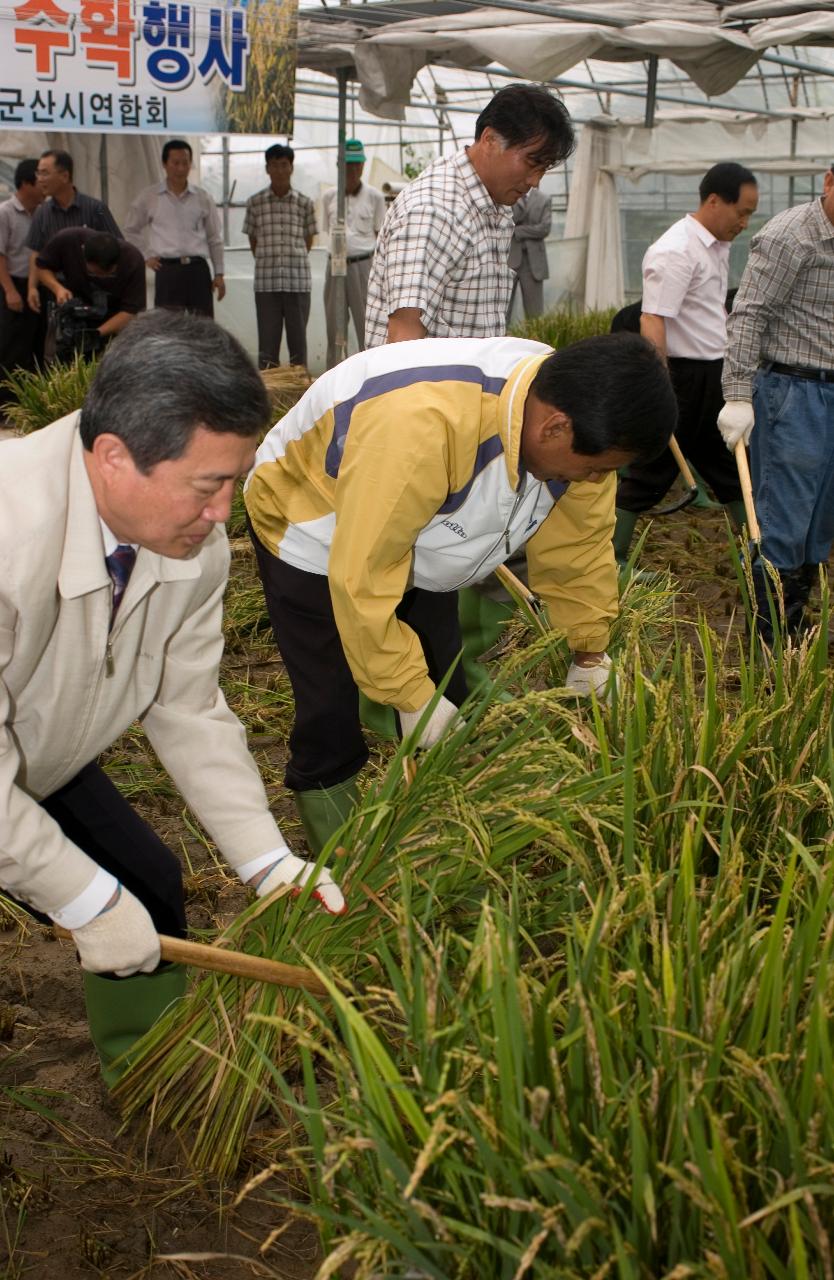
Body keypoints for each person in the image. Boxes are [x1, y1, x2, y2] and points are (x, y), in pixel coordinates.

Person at [0, 310, 344, 1089]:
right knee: (94, 891)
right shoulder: (7, 533)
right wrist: (78, 897)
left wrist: (267, 862)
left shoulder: (193, 545)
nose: (225, 512)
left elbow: (186, 705)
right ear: (114, 457)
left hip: (36, 752)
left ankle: (146, 1081)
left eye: (236, 480)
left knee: (144, 885)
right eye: (208, 485)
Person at [245, 331, 677, 852]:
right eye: (595, 467)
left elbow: (578, 548)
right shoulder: (421, 427)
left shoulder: (583, 413)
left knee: (441, 669)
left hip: (423, 530)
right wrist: (408, 693)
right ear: (555, 427)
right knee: (330, 699)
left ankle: (437, 809)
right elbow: (364, 573)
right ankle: (338, 846)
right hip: (312, 525)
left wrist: (590, 648)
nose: (594, 478)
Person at [613, 162, 759, 566]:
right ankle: (613, 561)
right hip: (682, 376)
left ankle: (760, 552)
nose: (745, 223)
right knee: (652, 468)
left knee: (727, 462)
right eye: (741, 212)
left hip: (712, 373)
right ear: (714, 201)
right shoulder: (675, 249)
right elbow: (652, 318)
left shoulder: (713, 244)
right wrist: (659, 384)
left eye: (750, 213)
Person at [718, 163, 834, 644]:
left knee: (819, 521)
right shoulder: (792, 237)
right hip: (794, 393)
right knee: (783, 520)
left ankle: (796, 622)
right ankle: (767, 643)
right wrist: (738, 394)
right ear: (829, 181)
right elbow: (749, 314)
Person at [365, 83, 575, 347]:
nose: (535, 181)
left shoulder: (491, 203)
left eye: (543, 169)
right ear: (489, 140)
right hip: (428, 387)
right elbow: (403, 339)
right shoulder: (434, 212)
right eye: (532, 163)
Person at [124, 139, 225, 318]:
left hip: (197, 269)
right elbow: (130, 229)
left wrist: (219, 273)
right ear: (165, 164)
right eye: (175, 163)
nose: (180, 168)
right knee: (167, 325)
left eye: (185, 163)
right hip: (167, 270)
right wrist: (146, 255)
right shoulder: (150, 196)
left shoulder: (202, 197)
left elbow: (214, 237)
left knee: (203, 326)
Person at [243, 143, 317, 368]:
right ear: (267, 169)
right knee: (267, 346)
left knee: (298, 345)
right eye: (274, 165)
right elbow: (253, 240)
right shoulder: (255, 203)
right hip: (267, 283)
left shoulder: (304, 203)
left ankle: (301, 397)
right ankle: (269, 397)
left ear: (291, 168)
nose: (279, 170)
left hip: (298, 282)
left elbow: (309, 240)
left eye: (284, 165)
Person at [26, 149, 121, 321]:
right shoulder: (42, 213)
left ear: (64, 176)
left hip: (94, 292)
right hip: (58, 291)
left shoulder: (96, 209)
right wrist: (32, 287)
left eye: (45, 173)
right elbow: (36, 253)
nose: (39, 179)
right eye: (38, 173)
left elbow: (118, 246)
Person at [321, 138, 385, 368]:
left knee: (367, 326)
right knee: (334, 328)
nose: (353, 170)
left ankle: (370, 377)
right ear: (339, 165)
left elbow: (380, 235)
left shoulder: (375, 197)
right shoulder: (329, 196)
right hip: (335, 264)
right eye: (348, 164)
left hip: (363, 266)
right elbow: (327, 230)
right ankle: (333, 377)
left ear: (363, 166)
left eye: (357, 164)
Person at [35, 228, 146, 360]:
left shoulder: (132, 259)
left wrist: (95, 334)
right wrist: (58, 288)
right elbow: (41, 267)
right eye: (95, 273)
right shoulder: (68, 239)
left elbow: (130, 311)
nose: (102, 277)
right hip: (73, 314)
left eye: (109, 274)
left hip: (112, 322)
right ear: (83, 253)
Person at [0, 159, 44, 400]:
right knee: (10, 347)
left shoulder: (42, 213)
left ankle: (29, 403)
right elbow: (0, 255)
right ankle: (6, 405)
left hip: (36, 286)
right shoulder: (6, 212)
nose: (44, 186)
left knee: (34, 346)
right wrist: (9, 291)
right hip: (12, 284)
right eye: (40, 180)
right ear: (26, 183)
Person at [507, 187, 552, 322]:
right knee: (503, 309)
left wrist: (519, 231)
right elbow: (507, 223)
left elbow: (544, 229)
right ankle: (502, 339)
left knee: (535, 313)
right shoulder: (510, 194)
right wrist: (532, 229)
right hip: (510, 260)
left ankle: (534, 340)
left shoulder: (544, 199)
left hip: (534, 263)